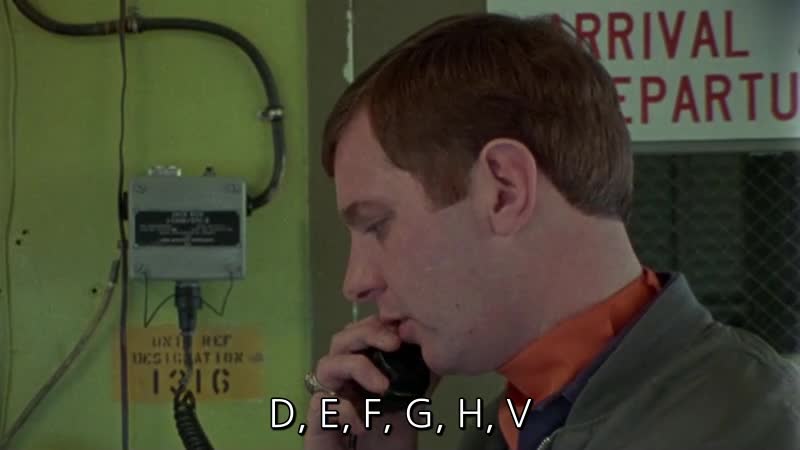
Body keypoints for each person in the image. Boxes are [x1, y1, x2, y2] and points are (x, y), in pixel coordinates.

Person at [302, 12, 800, 450]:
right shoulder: (515, 425)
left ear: (504, 189)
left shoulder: (749, 427)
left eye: (377, 224)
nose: (356, 282)